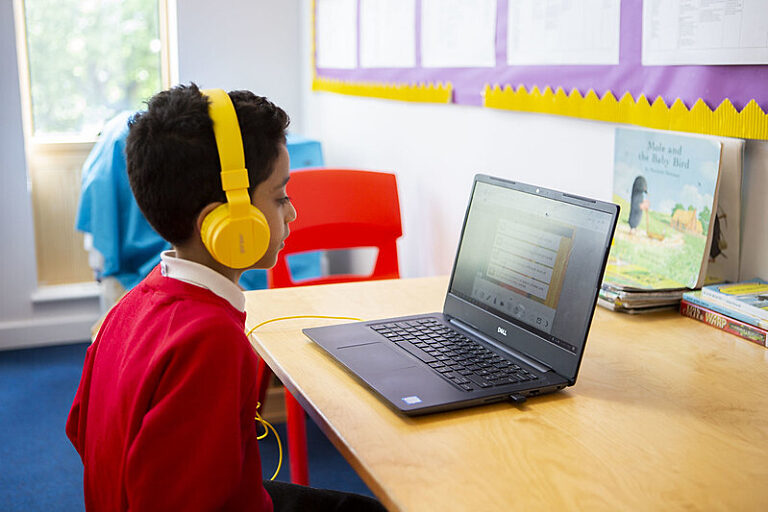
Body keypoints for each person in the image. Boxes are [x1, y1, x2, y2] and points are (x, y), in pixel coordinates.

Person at [66, 83, 386, 512]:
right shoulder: (210, 338)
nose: (292, 212)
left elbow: (79, 427)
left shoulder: (133, 303)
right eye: (279, 196)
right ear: (226, 221)